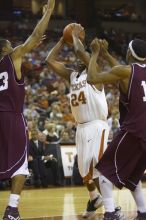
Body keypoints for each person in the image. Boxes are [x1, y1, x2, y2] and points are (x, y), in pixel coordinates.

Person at [45, 23, 111, 218]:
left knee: (95, 167)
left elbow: (79, 51)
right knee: (84, 172)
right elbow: (49, 60)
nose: (78, 58)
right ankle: (94, 199)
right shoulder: (72, 76)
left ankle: (111, 208)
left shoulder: (95, 72)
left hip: (96, 125)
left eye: (83, 57)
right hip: (81, 128)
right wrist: (61, 39)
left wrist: (74, 36)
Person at [0, 0, 55, 219]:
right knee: (20, 166)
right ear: (5, 48)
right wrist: (48, 13)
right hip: (11, 117)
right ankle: (12, 210)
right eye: (11, 45)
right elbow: (34, 36)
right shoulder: (12, 57)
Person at [87, 38, 146, 220]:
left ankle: (110, 213)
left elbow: (92, 78)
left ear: (129, 53)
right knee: (132, 177)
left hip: (134, 130)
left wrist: (96, 53)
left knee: (104, 170)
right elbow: (124, 72)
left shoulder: (125, 71)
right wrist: (107, 55)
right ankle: (143, 213)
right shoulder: (129, 72)